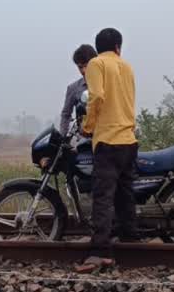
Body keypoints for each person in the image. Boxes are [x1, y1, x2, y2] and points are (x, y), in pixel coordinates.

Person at [80, 27, 138, 266]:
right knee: (126, 194)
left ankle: (101, 250)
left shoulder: (96, 64)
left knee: (103, 196)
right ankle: (130, 236)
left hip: (108, 139)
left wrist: (88, 125)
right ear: (118, 47)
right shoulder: (127, 66)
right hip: (129, 139)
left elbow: (96, 96)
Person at [59, 44, 97, 135]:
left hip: (106, 137)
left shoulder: (107, 84)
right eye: (80, 67)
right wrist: (63, 137)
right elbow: (66, 115)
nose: (83, 70)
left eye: (86, 66)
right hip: (84, 139)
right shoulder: (73, 88)